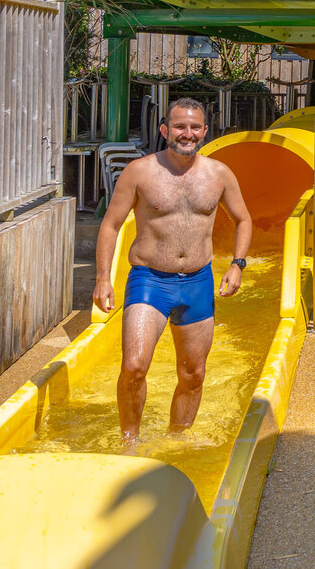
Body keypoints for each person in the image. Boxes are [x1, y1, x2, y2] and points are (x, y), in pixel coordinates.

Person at [94, 98, 253, 446]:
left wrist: (237, 265)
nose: (188, 133)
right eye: (180, 126)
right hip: (150, 280)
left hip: (197, 281)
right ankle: (129, 443)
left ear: (205, 131)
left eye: (195, 127)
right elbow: (111, 225)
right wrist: (103, 277)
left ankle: (174, 442)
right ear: (166, 130)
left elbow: (243, 219)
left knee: (193, 374)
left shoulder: (219, 174)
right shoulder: (140, 171)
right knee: (134, 366)